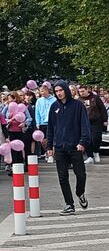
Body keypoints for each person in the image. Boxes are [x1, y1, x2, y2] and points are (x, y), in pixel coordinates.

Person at [47, 81, 91, 216]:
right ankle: (69, 204)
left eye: (61, 90)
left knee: (81, 174)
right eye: (56, 91)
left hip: (75, 146)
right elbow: (51, 127)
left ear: (66, 90)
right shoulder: (54, 107)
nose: (59, 93)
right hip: (60, 146)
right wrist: (49, 146)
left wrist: (83, 142)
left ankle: (80, 193)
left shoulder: (78, 105)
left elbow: (84, 124)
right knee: (62, 177)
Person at [78, 86, 107, 164]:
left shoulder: (95, 97)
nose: (81, 93)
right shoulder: (78, 100)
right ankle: (90, 156)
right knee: (88, 139)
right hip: (84, 122)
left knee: (96, 138)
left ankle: (96, 152)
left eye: (83, 91)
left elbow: (102, 108)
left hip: (96, 121)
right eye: (80, 91)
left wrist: (105, 120)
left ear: (87, 90)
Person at [36, 83, 56, 162]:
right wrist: (37, 122)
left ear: (47, 90)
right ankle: (47, 152)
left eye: (43, 91)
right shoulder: (39, 100)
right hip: (42, 123)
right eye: (40, 91)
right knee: (43, 140)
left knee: (51, 139)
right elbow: (37, 112)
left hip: (52, 123)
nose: (42, 93)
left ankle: (51, 154)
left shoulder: (54, 99)